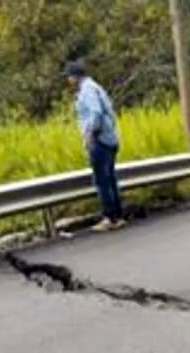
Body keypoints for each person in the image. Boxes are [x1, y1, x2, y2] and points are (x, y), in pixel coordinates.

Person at [65, 61, 125, 231]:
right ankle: (117, 215)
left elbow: (96, 112)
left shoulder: (87, 90)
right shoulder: (96, 87)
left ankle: (109, 217)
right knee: (110, 179)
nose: (68, 81)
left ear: (75, 77)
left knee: (102, 181)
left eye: (69, 77)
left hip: (100, 140)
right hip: (110, 138)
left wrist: (91, 133)